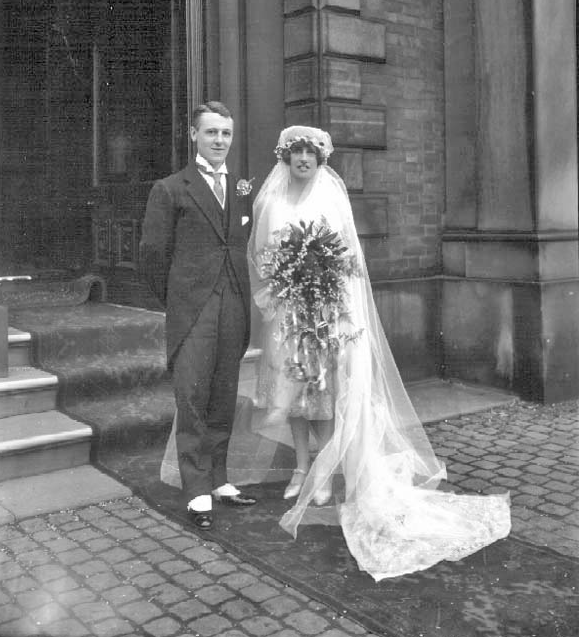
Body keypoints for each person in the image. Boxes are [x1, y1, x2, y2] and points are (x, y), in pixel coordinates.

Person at [247, 125, 511, 582]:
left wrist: (334, 301)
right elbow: (264, 257)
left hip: (327, 309)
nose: (304, 160)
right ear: (285, 159)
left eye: (311, 153)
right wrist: (283, 288)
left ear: (320, 159)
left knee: (323, 392)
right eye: (296, 154)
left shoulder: (330, 199)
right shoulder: (271, 201)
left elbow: (351, 261)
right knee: (292, 388)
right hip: (290, 311)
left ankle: (324, 475)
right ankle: (301, 466)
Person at [140, 100, 256, 531]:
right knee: (192, 398)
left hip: (234, 305)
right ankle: (196, 492)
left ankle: (220, 479)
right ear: (193, 136)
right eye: (211, 133)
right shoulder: (170, 189)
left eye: (225, 133)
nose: (220, 141)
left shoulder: (241, 188)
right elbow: (152, 257)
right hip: (193, 310)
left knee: (224, 395)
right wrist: (180, 298)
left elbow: (238, 245)